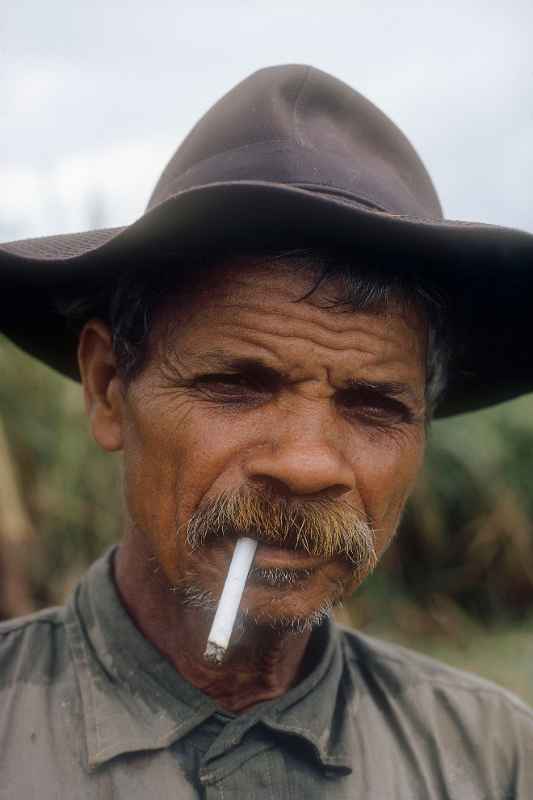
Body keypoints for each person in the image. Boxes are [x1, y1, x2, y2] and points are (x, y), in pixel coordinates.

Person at [1, 64, 533, 799]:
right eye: (235, 385)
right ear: (108, 388)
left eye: (374, 405)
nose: (308, 464)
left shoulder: (496, 761)